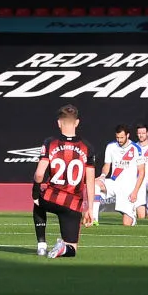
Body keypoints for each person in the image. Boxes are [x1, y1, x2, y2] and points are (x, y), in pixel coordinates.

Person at [32, 104, 95, 259]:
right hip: (73, 205)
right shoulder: (87, 147)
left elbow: (39, 174)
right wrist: (90, 208)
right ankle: (63, 249)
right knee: (72, 250)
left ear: (59, 122)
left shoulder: (50, 143)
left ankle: (41, 245)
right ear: (77, 122)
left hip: (51, 198)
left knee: (37, 201)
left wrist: (35, 191)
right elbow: (90, 180)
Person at [101, 124, 143, 226]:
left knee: (126, 224)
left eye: (122, 137)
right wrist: (102, 175)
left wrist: (135, 192)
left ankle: (132, 216)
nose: (119, 140)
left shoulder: (136, 148)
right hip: (114, 182)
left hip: (128, 187)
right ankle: (93, 219)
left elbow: (141, 172)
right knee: (95, 185)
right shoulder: (111, 146)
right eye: (117, 137)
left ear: (128, 135)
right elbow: (107, 165)